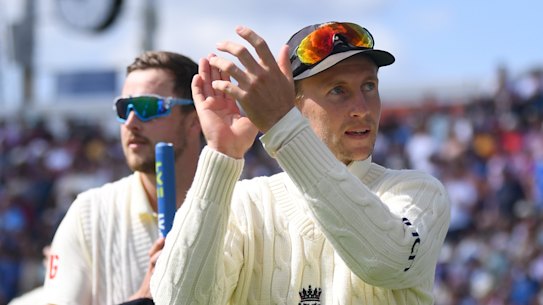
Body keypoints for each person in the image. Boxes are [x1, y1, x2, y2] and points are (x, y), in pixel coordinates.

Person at [151, 21, 451, 305]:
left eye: (369, 86)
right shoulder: (243, 203)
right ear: (295, 105)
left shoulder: (419, 192)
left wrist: (283, 127)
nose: (362, 108)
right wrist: (221, 155)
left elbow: (385, 264)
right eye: (338, 91)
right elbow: (180, 300)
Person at [43, 51, 201, 305]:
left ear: (195, 121)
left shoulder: (240, 210)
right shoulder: (89, 213)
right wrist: (143, 298)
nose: (131, 122)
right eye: (123, 108)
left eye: (148, 107)